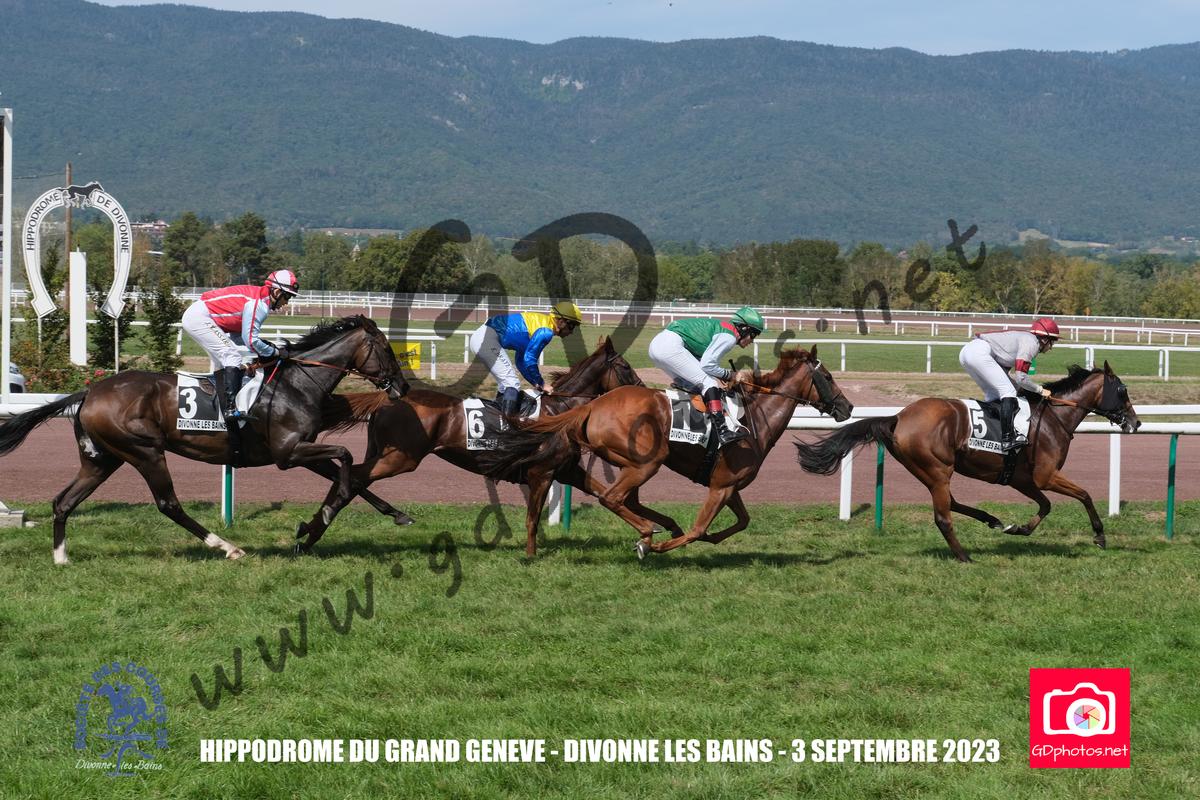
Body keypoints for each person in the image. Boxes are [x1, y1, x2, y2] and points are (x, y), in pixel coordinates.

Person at [181, 269, 299, 422]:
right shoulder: (259, 305)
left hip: (200, 316)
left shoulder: (259, 299)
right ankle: (231, 409)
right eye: (287, 296)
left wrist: (268, 346)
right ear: (276, 292)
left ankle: (223, 410)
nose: (287, 302)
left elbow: (238, 338)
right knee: (232, 356)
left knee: (224, 361)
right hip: (200, 317)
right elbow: (251, 341)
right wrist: (274, 352)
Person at [647, 306, 765, 447]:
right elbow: (707, 365)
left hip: (657, 346)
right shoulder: (729, 337)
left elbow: (702, 363)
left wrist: (722, 375)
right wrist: (730, 375)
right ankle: (722, 431)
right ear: (744, 329)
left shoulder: (724, 330)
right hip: (670, 347)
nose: (752, 341)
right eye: (753, 335)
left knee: (693, 385)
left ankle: (691, 429)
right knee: (709, 383)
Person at [958, 317, 1059, 451]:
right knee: (1008, 392)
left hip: (967, 352)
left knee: (994, 394)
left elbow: (1005, 373)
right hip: (980, 353)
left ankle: (992, 435)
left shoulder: (1025, 339)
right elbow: (1021, 378)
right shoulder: (1032, 344)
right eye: (1052, 342)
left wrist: (1020, 389)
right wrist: (1039, 390)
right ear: (1045, 339)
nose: (1051, 348)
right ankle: (1008, 439)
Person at [469, 301, 584, 416]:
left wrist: (535, 383)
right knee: (512, 383)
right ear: (561, 321)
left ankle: (498, 416)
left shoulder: (542, 326)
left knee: (506, 385)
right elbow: (529, 360)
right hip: (486, 339)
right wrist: (542, 384)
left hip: (483, 337)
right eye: (572, 326)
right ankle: (506, 423)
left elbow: (521, 361)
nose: (571, 332)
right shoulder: (546, 332)